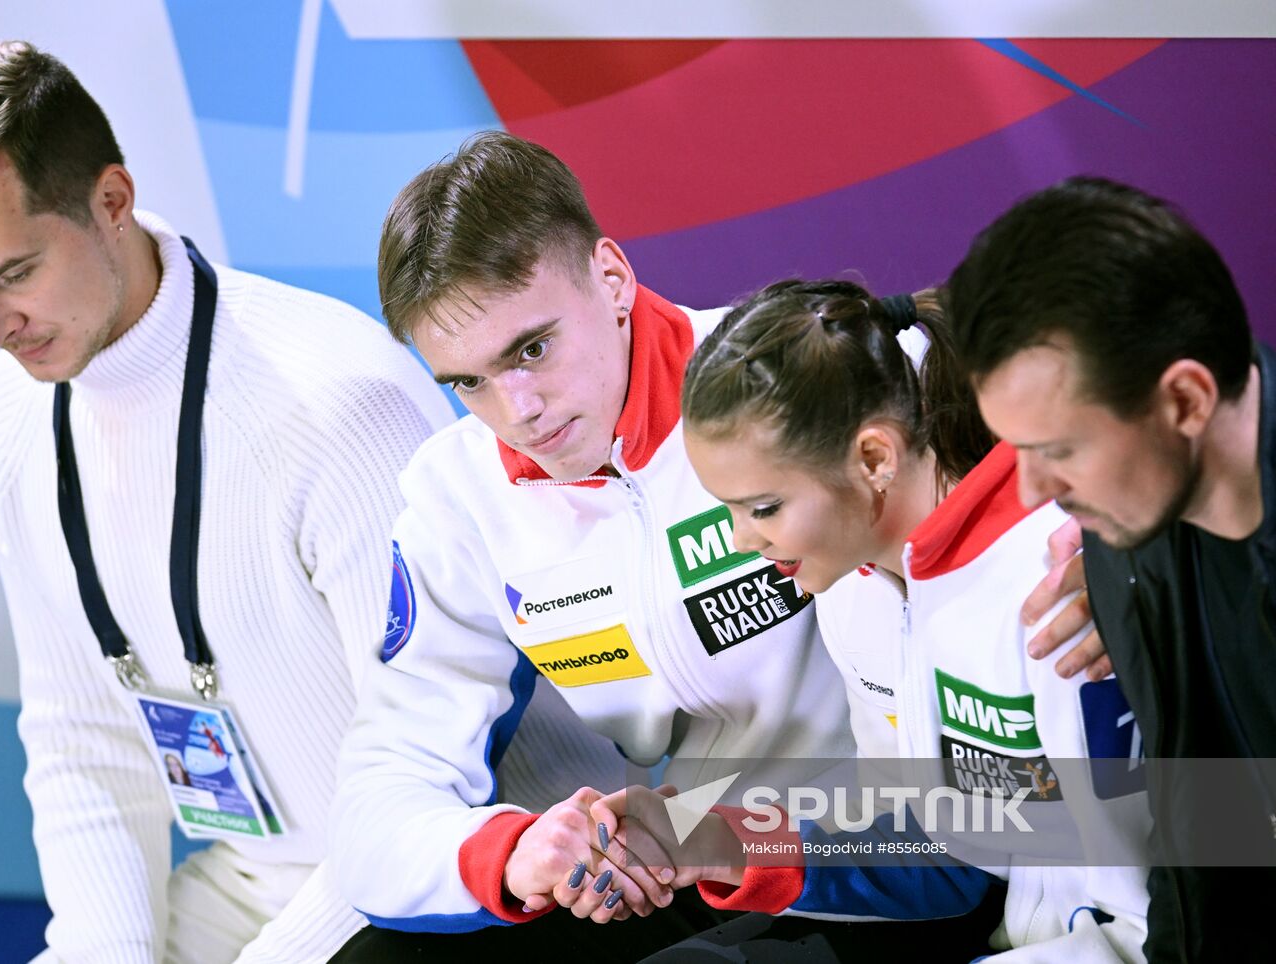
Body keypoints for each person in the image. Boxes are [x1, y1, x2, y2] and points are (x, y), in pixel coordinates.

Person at [326, 131, 1101, 959]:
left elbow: (1135, 418)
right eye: (468, 382)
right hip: (700, 844)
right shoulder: (457, 498)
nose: (517, 410)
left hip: (887, 853)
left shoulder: (801, 384)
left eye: (533, 348)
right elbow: (384, 795)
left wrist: (1126, 560)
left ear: (612, 278)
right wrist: (517, 853)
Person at [0, 41, 455, 963]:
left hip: (450, 876)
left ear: (112, 202)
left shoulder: (337, 404)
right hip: (253, 881)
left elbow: (440, 779)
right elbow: (84, 741)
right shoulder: (6, 414)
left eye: (14, 274)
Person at [666, 279, 1150, 960]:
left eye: (764, 507)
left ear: (873, 459)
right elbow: (954, 850)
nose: (743, 542)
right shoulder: (847, 589)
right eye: (730, 510)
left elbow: (1168, 919)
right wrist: (725, 845)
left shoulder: (1058, 590)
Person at [948, 175, 1276, 963]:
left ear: (1187, 401)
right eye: (1016, 449)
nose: (1034, 491)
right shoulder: (1123, 537)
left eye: (1059, 450)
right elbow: (1205, 850)